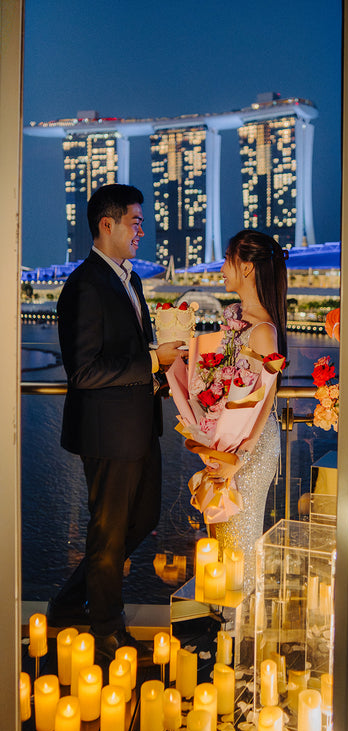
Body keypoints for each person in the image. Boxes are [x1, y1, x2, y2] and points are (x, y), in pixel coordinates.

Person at [49, 183, 183, 664]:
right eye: (136, 222)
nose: (142, 231)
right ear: (107, 225)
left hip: (140, 426)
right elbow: (83, 371)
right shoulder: (85, 285)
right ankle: (106, 631)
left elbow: (132, 351)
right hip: (107, 434)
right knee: (108, 534)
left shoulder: (131, 279)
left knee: (142, 520)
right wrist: (151, 361)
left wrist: (162, 371)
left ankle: (68, 601)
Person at [201, 229, 288, 594]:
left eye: (227, 259)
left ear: (248, 268)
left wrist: (240, 455)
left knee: (239, 546)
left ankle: (241, 634)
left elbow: (265, 399)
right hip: (231, 446)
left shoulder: (263, 331)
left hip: (249, 450)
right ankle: (225, 630)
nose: (222, 267)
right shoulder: (238, 322)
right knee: (222, 544)